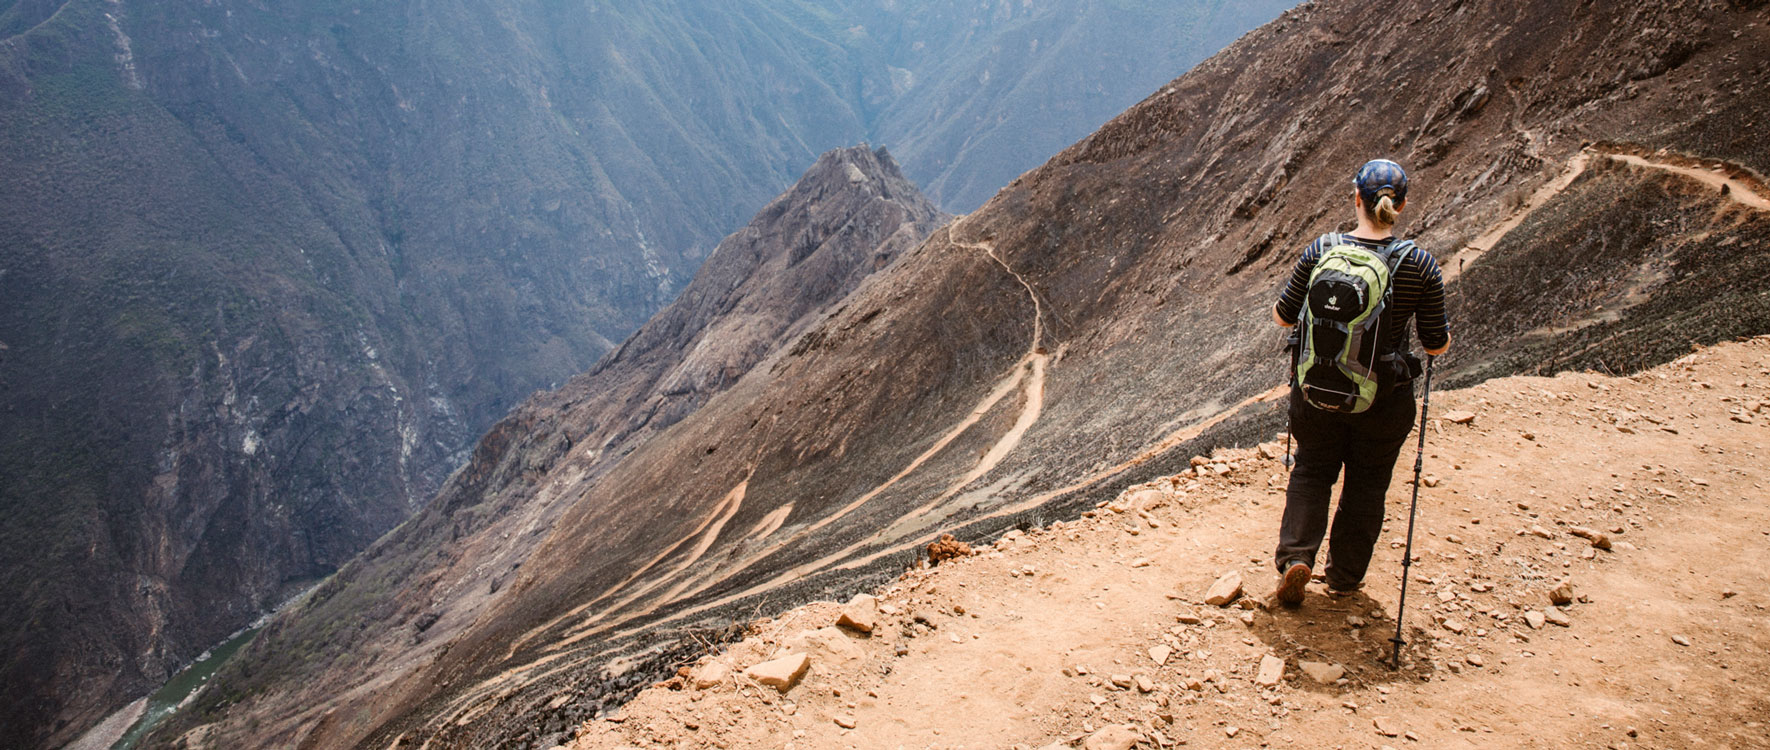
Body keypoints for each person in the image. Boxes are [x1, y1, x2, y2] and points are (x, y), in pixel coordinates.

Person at [1269, 159, 1450, 606]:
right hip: (1384, 399)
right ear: (1400, 206)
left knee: (1311, 471)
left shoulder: (1321, 249)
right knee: (1367, 483)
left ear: (1356, 199)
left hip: (1317, 392)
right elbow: (1435, 343)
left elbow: (1283, 316)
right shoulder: (1420, 264)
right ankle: (1345, 577)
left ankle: (1296, 558)